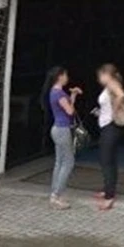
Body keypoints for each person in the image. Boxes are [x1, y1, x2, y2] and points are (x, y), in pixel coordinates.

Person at [41, 66, 82, 209]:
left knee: (59, 162)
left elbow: (66, 109)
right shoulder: (59, 93)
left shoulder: (54, 92)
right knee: (68, 162)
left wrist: (73, 95)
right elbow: (70, 111)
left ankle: (55, 193)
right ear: (60, 76)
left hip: (57, 128)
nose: (67, 78)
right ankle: (56, 195)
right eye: (65, 75)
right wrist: (73, 99)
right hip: (63, 129)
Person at [94, 63, 124, 211]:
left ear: (107, 75)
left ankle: (109, 196)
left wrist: (114, 112)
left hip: (110, 127)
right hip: (107, 126)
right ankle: (108, 189)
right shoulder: (109, 87)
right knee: (109, 160)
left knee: (106, 160)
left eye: (101, 75)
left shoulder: (113, 84)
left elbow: (121, 95)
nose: (99, 78)